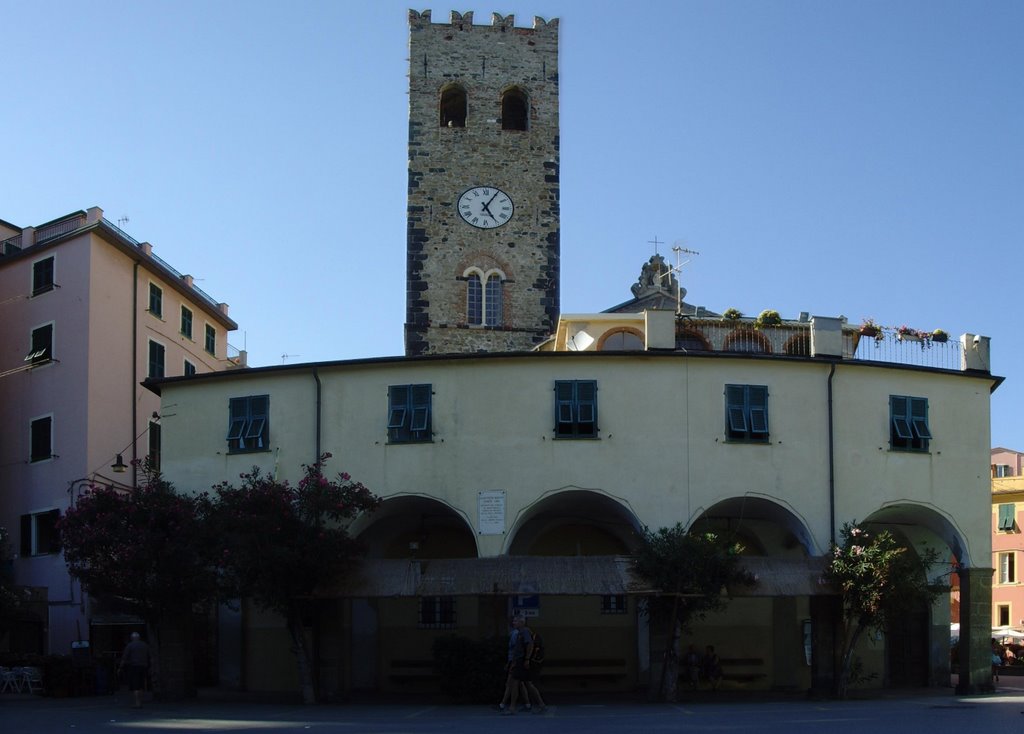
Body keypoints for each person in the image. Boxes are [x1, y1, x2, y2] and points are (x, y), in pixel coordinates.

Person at [498, 615, 533, 715]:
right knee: (521, 684)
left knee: (514, 683)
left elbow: (528, 645)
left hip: (519, 661)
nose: (513, 623)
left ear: (521, 622)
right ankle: (527, 704)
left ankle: (510, 706)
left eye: (516, 621)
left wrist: (526, 659)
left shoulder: (522, 633)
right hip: (517, 661)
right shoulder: (519, 633)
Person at [119, 631, 151, 708]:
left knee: (135, 685)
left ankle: (137, 703)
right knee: (141, 684)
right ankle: (141, 701)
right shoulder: (145, 645)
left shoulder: (130, 645)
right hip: (144, 666)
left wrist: (120, 667)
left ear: (132, 638)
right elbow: (149, 656)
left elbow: (124, 657)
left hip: (134, 667)